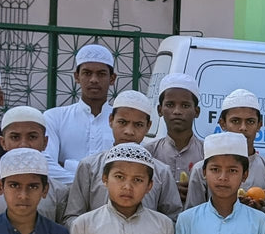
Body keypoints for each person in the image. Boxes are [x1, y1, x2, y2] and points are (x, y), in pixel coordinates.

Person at [63, 91, 182, 224]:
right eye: (122, 122)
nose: (129, 131)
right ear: (111, 120)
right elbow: (72, 217)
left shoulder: (160, 172)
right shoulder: (89, 166)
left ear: (148, 126)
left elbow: (173, 220)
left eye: (138, 125)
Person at [185, 89, 265, 217]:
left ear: (259, 125)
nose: (243, 127)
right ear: (223, 124)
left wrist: (259, 211)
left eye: (250, 121)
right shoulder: (201, 169)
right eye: (235, 121)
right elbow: (192, 218)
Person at [0, 106, 69, 224]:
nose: (23, 144)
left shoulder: (59, 191)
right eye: (15, 137)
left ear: (45, 142)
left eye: (32, 137)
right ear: (3, 142)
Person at [42, 44, 117, 184]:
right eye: (87, 73)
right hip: (66, 199)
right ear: (77, 77)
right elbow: (46, 164)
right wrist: (92, 186)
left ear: (112, 78)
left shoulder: (122, 121)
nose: (94, 79)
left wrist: (67, 164)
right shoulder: (54, 117)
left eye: (101, 74)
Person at [146, 72, 203, 204]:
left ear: (197, 111)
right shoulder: (148, 153)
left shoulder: (208, 154)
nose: (177, 111)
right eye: (170, 105)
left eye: (185, 105)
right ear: (160, 110)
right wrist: (167, 191)